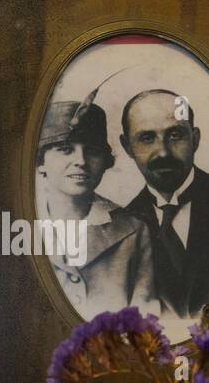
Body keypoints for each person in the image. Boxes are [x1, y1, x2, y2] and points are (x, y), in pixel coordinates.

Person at [117, 88, 209, 319]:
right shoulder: (121, 229)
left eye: (175, 135)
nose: (163, 152)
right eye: (147, 138)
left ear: (195, 139)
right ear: (127, 146)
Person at [36, 98, 160, 320]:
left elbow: (145, 316)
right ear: (41, 161)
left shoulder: (134, 231)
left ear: (106, 162)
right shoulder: (19, 222)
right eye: (65, 149)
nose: (80, 161)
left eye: (92, 151)